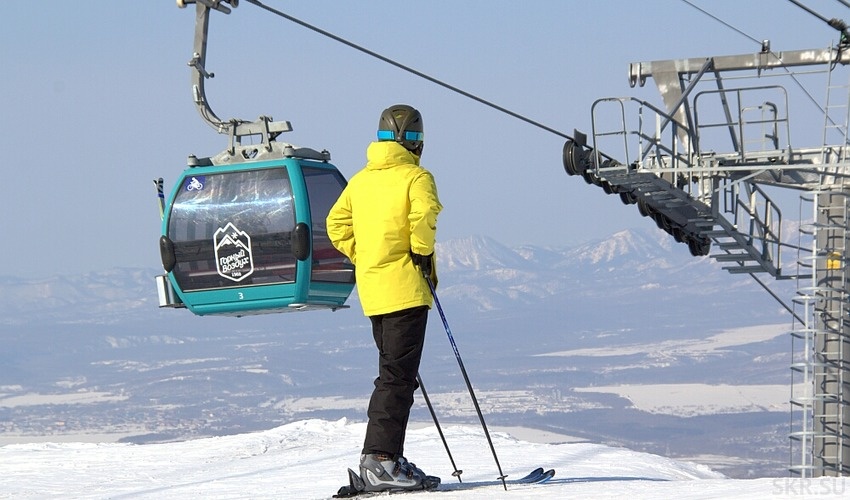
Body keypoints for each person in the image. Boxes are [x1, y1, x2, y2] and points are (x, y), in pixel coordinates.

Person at [327, 104, 442, 492]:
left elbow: (336, 225)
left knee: (393, 375)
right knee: (397, 379)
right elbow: (424, 216)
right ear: (417, 142)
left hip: (374, 293)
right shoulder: (416, 178)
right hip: (406, 289)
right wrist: (420, 251)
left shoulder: (361, 181)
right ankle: (381, 461)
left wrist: (364, 256)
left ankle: (386, 458)